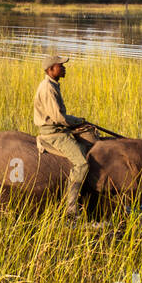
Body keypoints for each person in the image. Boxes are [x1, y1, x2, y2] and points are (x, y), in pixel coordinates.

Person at [33, 54, 99, 216]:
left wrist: (80, 123)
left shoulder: (53, 84)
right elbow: (58, 118)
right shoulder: (48, 88)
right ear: (51, 70)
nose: (64, 68)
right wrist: (78, 121)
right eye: (60, 66)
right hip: (54, 134)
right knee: (82, 163)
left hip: (60, 129)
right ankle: (71, 206)